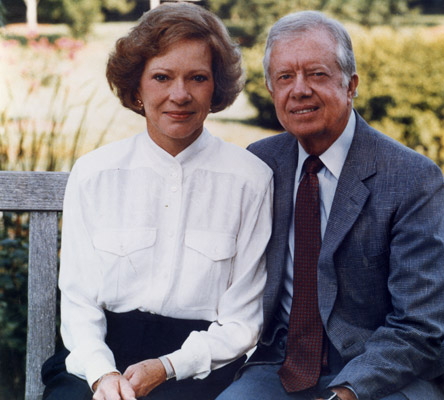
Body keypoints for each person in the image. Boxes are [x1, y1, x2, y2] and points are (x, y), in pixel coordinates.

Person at [217, 10, 444, 400]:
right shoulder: (261, 163)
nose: (299, 90)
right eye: (285, 77)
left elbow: (420, 323)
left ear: (350, 85)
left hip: (388, 369)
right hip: (281, 365)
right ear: (272, 91)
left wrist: (348, 392)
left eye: (316, 74)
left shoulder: (410, 176)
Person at [41, 3, 273, 400]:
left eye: (197, 78)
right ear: (136, 88)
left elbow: (242, 321)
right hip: (100, 355)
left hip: (200, 366)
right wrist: (102, 374)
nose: (178, 95)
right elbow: (79, 301)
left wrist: (168, 367)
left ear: (216, 87)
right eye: (162, 77)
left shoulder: (250, 180)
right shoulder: (95, 173)